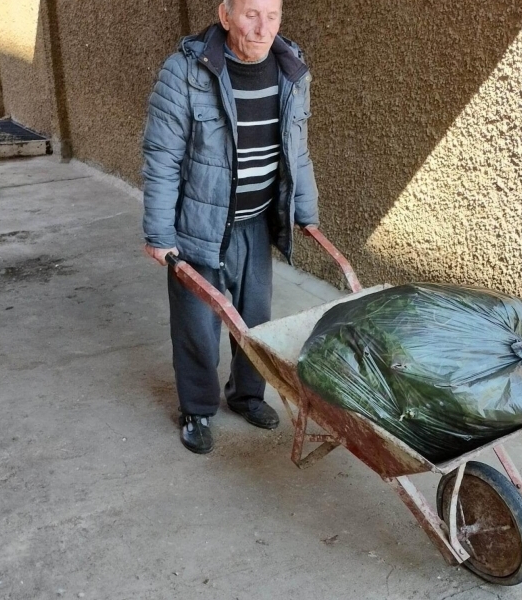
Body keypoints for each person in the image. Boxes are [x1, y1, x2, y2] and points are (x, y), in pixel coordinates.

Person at [142, 0, 319, 454]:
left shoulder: (291, 69)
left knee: (255, 321)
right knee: (198, 327)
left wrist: (304, 210)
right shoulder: (185, 71)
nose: (262, 28)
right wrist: (159, 234)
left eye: (272, 15)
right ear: (225, 16)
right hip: (198, 225)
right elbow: (161, 157)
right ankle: (197, 409)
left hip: (256, 221)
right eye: (250, 15)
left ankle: (245, 395)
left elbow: (296, 147)